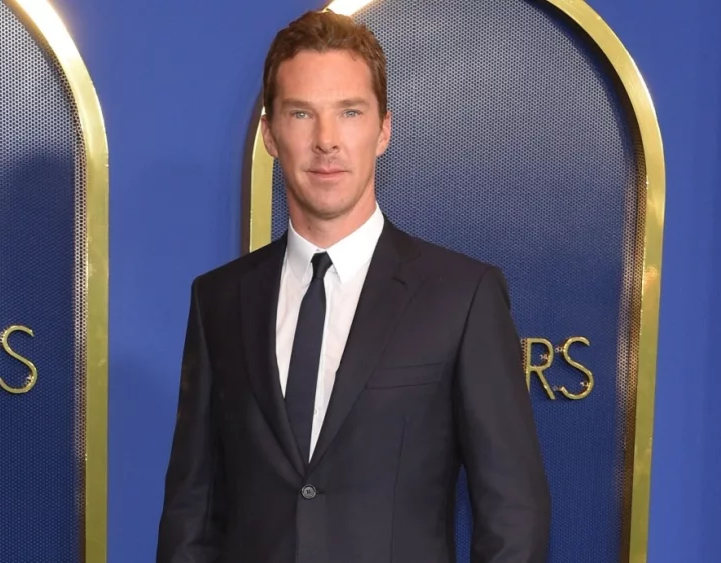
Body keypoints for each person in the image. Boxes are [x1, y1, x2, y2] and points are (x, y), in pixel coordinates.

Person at [156, 9, 550, 563]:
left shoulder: (462, 296)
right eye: (301, 113)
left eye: (349, 112)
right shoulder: (219, 300)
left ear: (383, 130)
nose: (326, 141)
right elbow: (190, 513)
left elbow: (513, 515)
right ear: (270, 134)